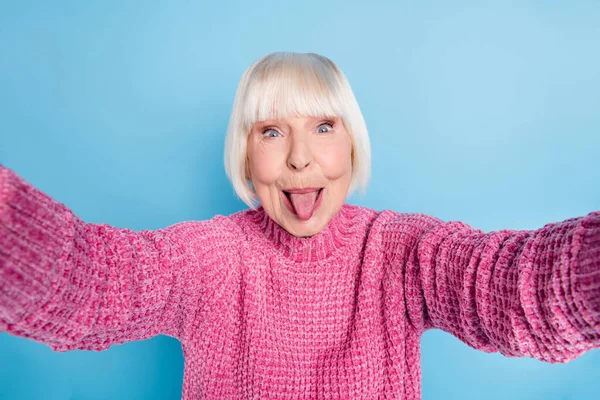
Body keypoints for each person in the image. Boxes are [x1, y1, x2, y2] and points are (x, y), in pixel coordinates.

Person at [0, 51, 598, 400]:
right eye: (271, 130)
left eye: (323, 127)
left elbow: (517, 288)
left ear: (353, 144)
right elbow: (87, 282)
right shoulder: (211, 258)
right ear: (245, 155)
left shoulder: (399, 251)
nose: (299, 159)